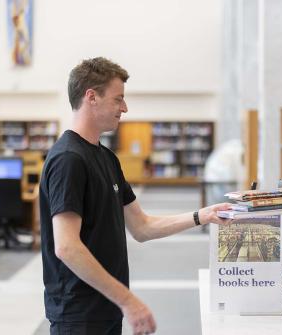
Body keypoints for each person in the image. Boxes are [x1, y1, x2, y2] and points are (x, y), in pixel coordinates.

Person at [39, 57, 231, 335]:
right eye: (118, 99)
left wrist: (202, 215)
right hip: (78, 317)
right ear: (91, 97)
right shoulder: (69, 159)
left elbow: (141, 227)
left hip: (107, 311)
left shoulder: (106, 158)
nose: (124, 108)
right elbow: (67, 247)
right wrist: (128, 301)